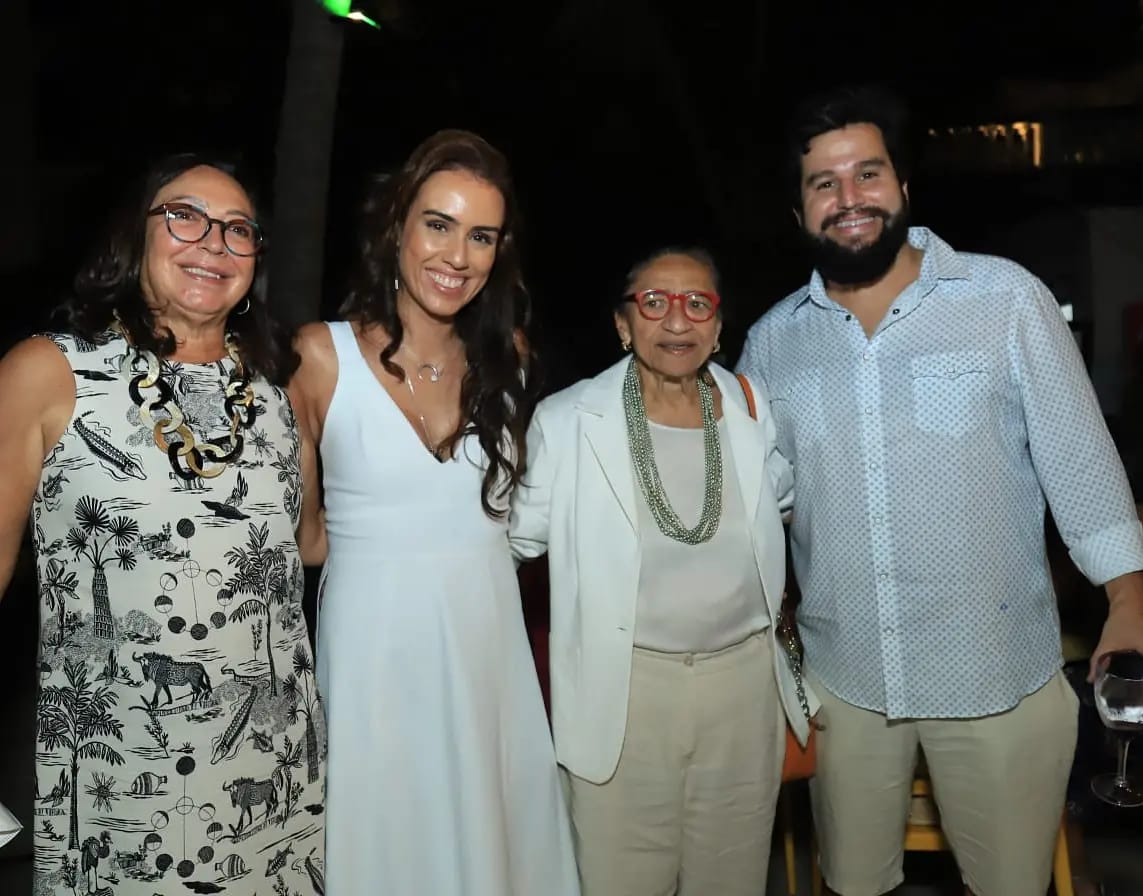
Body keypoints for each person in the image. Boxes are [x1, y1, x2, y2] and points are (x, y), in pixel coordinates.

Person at [737, 84, 1143, 896]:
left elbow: (1080, 461)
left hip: (994, 675)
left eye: (867, 174)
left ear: (902, 188)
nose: (848, 199)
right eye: (824, 183)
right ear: (798, 212)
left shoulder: (1004, 300)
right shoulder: (773, 342)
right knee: (853, 885)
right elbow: (749, 502)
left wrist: (1127, 603)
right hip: (842, 681)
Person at [0, 154, 327, 896]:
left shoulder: (279, 396)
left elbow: (309, 546)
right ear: (134, 235)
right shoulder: (46, 372)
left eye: (239, 230)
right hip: (120, 779)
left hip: (274, 767)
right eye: (185, 216)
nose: (213, 242)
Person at [289, 129, 579, 895]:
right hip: (372, 661)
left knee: (491, 843)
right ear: (396, 227)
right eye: (438, 224)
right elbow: (304, 538)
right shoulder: (319, 357)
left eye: (480, 236)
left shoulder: (508, 357)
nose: (456, 256)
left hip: (487, 655)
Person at [510, 247, 814, 896]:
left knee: (730, 882)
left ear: (718, 324)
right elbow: (511, 543)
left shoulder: (751, 411)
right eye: (654, 302)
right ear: (623, 324)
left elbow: (784, 511)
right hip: (623, 695)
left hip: (742, 692)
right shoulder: (566, 423)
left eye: (696, 303)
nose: (676, 320)